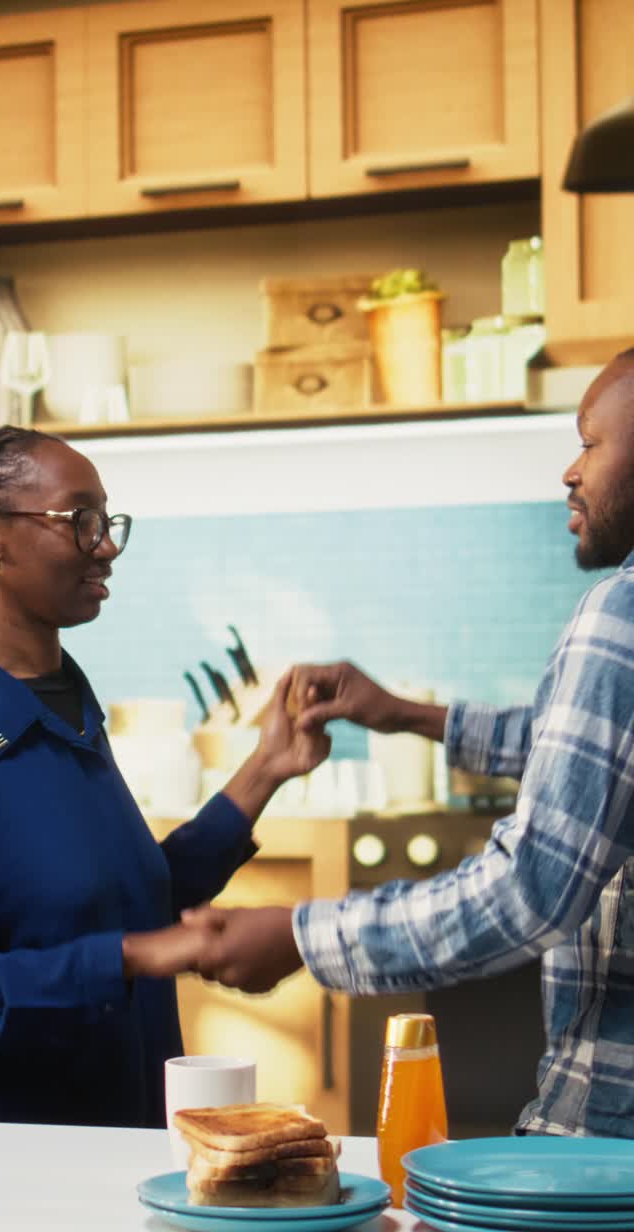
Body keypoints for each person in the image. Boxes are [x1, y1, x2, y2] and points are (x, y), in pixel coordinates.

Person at [183, 346, 634, 1140]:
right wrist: (406, 714)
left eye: (591, 443)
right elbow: (585, 742)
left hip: (605, 1141)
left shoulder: (620, 612)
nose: (570, 470)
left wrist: (300, 937)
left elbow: (531, 891)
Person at [0, 425, 329, 1127]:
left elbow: (130, 902)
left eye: (107, 522)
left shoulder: (70, 706)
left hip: (122, 1134)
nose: (105, 545)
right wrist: (135, 956)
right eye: (80, 520)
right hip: (10, 1162)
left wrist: (267, 769)